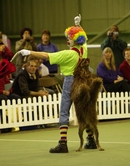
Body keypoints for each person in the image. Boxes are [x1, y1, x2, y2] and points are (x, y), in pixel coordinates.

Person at [18, 15, 98, 153]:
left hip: (70, 82)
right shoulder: (84, 49)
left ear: (73, 39)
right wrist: (78, 25)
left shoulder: (68, 54)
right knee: (84, 109)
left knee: (64, 110)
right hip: (83, 81)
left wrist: (29, 52)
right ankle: (91, 140)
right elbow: (83, 37)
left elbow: (46, 56)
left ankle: (63, 142)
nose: (68, 39)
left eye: (69, 37)